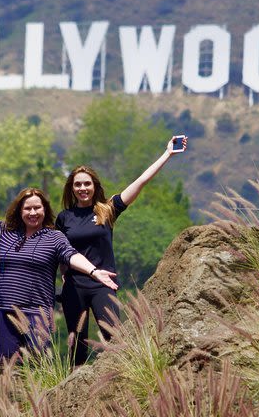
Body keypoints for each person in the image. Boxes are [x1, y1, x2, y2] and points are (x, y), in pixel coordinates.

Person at [0, 186, 118, 362]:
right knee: (9, 368)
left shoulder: (53, 237)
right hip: (6, 311)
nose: (33, 213)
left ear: (45, 210)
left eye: (38, 208)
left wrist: (93, 271)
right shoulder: (5, 232)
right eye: (28, 208)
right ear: (19, 211)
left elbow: (71, 255)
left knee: (37, 366)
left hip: (38, 313)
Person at [57, 135, 188, 365]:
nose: (82, 188)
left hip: (103, 285)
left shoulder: (107, 210)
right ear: (71, 188)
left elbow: (140, 182)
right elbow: (59, 250)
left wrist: (167, 154)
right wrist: (64, 274)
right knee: (76, 347)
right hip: (74, 288)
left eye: (87, 183)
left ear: (95, 186)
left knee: (116, 341)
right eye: (77, 184)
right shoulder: (64, 218)